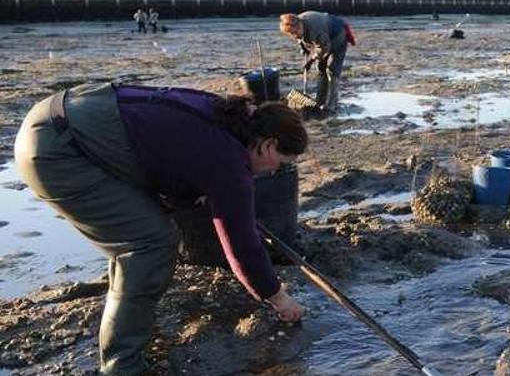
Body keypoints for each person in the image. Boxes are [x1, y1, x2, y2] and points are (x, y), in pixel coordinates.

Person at [13, 83, 310, 374]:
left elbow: (179, 175)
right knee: (150, 245)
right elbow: (242, 245)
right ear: (268, 144)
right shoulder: (228, 159)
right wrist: (277, 298)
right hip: (58, 151)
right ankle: (122, 365)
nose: (275, 171)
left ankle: (132, 320)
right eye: (281, 163)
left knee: (144, 230)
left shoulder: (227, 116)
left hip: (63, 117)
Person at [279, 11, 356, 114]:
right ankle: (320, 101)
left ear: (299, 25)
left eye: (295, 33)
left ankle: (332, 105)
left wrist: (312, 59)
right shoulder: (297, 25)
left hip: (338, 34)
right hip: (323, 38)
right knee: (320, 68)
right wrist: (304, 49)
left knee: (332, 69)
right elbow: (301, 39)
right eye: (292, 34)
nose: (295, 36)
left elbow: (323, 48)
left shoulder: (315, 30)